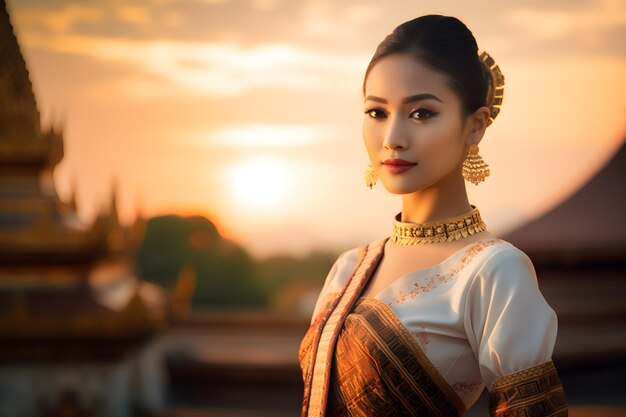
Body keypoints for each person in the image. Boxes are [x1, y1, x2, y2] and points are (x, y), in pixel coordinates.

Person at [298, 14, 569, 417]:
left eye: (421, 113)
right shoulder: (349, 267)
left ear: (474, 126)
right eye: (377, 113)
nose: (392, 139)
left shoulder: (494, 272)